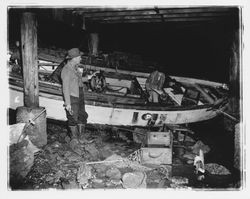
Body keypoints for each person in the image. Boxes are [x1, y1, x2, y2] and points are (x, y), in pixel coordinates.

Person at [61, 48, 88, 140]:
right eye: (79, 57)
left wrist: (88, 78)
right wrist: (68, 103)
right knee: (73, 117)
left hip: (80, 94)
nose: (81, 58)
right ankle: (74, 139)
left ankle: (81, 137)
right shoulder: (66, 70)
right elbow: (65, 87)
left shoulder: (75, 67)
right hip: (72, 96)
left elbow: (77, 80)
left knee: (82, 115)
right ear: (75, 58)